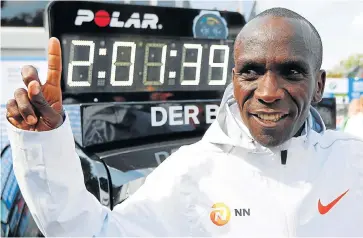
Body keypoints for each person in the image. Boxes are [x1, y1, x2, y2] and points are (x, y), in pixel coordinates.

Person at [5, 8, 363, 237]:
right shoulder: (191, 173)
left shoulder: (353, 163)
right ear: (234, 80)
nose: (268, 91)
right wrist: (45, 144)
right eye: (251, 72)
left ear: (318, 86)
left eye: (291, 72)